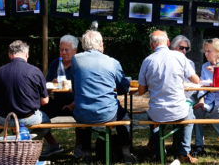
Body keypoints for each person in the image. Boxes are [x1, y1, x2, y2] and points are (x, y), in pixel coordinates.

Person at [0, 40, 62, 157]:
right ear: (27, 54)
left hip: (5, 119)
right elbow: (45, 101)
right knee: (46, 121)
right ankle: (28, 143)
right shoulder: (35, 71)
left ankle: (18, 144)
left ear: (9, 54)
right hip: (28, 118)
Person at [70, 30, 133, 162]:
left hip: (82, 112)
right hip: (107, 113)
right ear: (100, 44)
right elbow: (124, 88)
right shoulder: (112, 62)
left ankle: (87, 154)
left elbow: (75, 85)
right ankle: (126, 152)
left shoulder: (76, 60)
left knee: (84, 114)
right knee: (124, 116)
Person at [138, 30, 200, 164]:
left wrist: (153, 83)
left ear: (151, 45)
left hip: (157, 112)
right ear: (167, 42)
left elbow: (141, 90)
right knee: (190, 115)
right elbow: (196, 80)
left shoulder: (147, 61)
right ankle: (184, 152)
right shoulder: (179, 57)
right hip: (179, 110)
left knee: (153, 119)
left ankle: (159, 151)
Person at [40, 34, 84, 157]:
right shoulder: (55, 64)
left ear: (75, 51)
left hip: (76, 103)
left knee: (84, 112)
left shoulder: (80, 66)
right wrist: (51, 85)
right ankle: (53, 144)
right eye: (61, 49)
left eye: (66, 50)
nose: (63, 52)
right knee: (37, 113)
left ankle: (79, 147)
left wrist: (73, 104)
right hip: (57, 101)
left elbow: (85, 91)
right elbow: (45, 89)